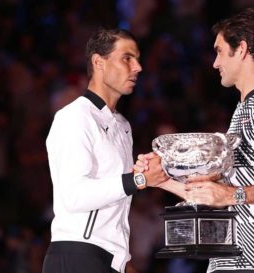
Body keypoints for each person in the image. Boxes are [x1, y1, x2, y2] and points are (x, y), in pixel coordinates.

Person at [135, 8, 254, 273]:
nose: (215, 62)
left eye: (220, 51)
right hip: (232, 256)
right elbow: (219, 195)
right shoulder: (243, 110)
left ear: (242, 49)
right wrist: (161, 177)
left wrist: (233, 195)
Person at [42, 28, 168, 273]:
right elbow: (74, 195)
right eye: (127, 58)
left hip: (110, 260)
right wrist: (138, 179)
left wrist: (124, 261)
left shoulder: (122, 125)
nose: (137, 67)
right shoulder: (73, 117)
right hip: (77, 255)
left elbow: (116, 202)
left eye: (138, 59)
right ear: (98, 62)